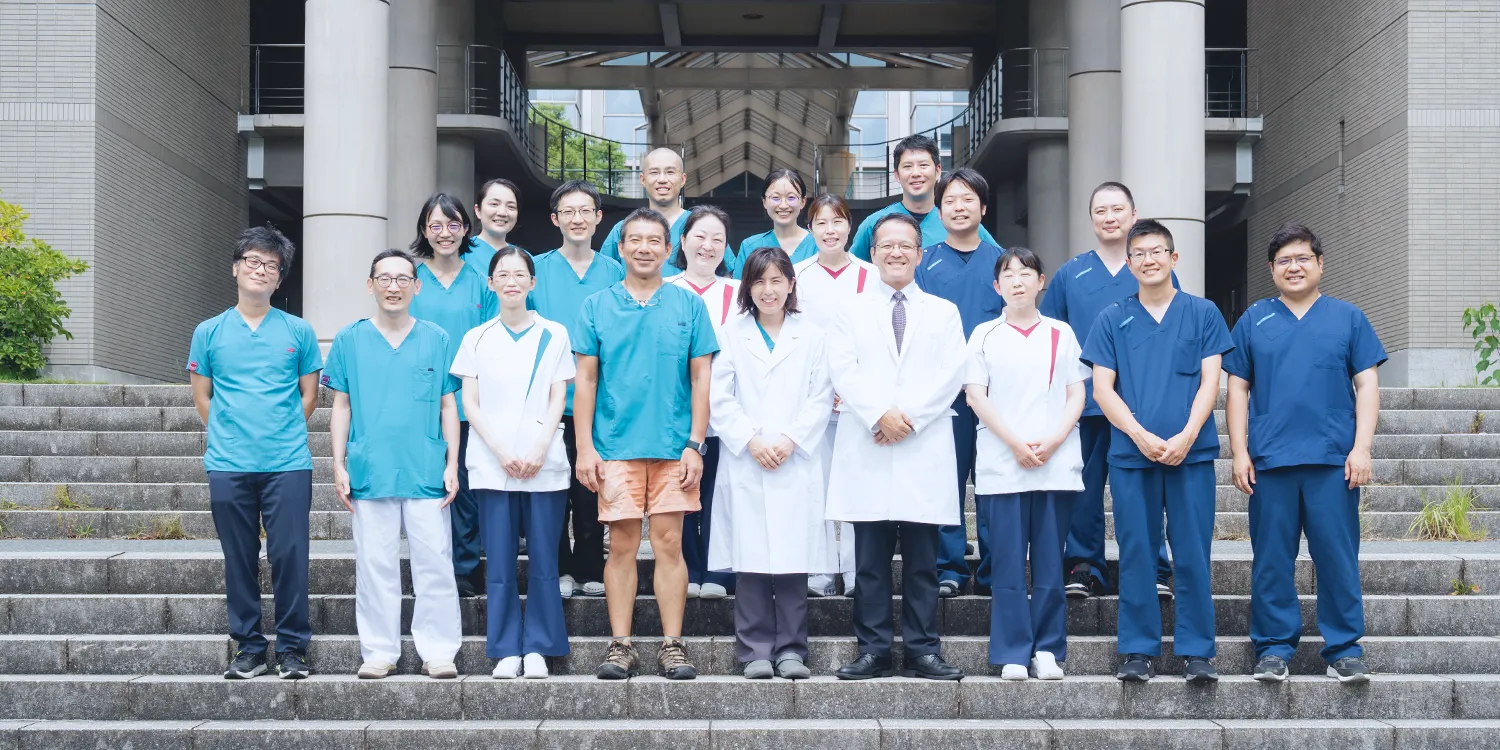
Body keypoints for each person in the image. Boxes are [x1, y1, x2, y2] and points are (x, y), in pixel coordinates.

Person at [1225, 222, 1383, 685]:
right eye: (1283, 261)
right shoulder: (1254, 320)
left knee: (1337, 557)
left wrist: (1362, 447)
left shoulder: (1348, 318)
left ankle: (1344, 650)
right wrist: (1239, 452)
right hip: (1271, 461)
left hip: (1333, 461)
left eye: (1302, 259)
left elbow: (1367, 384)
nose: (1293, 267)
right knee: (1271, 560)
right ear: (1271, 268)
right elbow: (1237, 389)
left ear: (1320, 264)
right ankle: (1273, 649)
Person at [1081, 220, 1231, 683]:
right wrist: (1139, 434)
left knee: (1192, 552)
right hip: (1132, 456)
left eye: (1157, 251)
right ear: (1129, 264)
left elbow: (1211, 381)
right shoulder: (1112, 318)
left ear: (1173, 258)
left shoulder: (1203, 313)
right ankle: (1137, 649)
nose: (1149, 260)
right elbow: (1102, 389)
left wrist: (1188, 435)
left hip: (1192, 454)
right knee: (1136, 552)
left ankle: (1197, 651)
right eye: (1139, 254)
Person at [572, 208, 719, 681]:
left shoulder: (688, 305)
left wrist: (695, 443)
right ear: (620, 248)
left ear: (668, 249)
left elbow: (701, 378)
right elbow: (585, 381)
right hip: (615, 446)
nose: (644, 248)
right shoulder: (596, 306)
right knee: (621, 545)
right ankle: (621, 645)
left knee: (670, 544)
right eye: (634, 240)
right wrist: (585, 448)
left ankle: (673, 645)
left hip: (674, 447)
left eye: (654, 240)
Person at [827, 213, 966, 681]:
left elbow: (952, 373)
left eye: (906, 245)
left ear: (919, 254)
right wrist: (878, 415)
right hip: (868, 441)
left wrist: (908, 419)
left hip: (922, 444)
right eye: (887, 245)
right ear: (873, 254)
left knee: (924, 562)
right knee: (869, 561)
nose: (896, 252)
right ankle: (874, 651)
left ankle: (923, 650)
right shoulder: (850, 309)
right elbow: (842, 368)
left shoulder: (943, 311)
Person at [188, 225, 320, 681]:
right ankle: (249, 647)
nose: (261, 270)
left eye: (271, 265)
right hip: (228, 464)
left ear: (279, 278)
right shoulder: (209, 332)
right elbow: (201, 396)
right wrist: (230, 433)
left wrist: (278, 430)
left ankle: (292, 649)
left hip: (288, 463)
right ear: (236, 268)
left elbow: (309, 396)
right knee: (238, 557)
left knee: (290, 555)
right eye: (253, 261)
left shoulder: (298, 331)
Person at [325, 249, 463, 681]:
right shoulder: (350, 339)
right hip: (371, 467)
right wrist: (338, 463)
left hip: (425, 468)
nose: (394, 286)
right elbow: (342, 405)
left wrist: (452, 463)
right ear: (370, 285)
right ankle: (379, 651)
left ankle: (438, 651)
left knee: (435, 563)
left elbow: (448, 405)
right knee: (374, 565)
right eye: (384, 278)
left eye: (403, 279)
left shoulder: (436, 338)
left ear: (416, 287)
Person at [1040, 182, 1174, 601]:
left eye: (1118, 209)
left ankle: (1152, 567)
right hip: (1084, 404)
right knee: (1083, 490)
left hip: (1141, 405)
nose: (1110, 217)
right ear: (1091, 219)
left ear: (1134, 215)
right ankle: (1084, 566)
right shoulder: (1070, 274)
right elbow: (1051, 337)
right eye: (1100, 211)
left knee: (1143, 491)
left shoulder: (1153, 268)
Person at [709, 247, 836, 680]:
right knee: (751, 560)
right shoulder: (731, 333)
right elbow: (719, 396)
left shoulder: (813, 335)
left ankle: (792, 650)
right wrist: (752, 439)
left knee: (794, 559)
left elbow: (821, 395)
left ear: (791, 284)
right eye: (759, 281)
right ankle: (754, 651)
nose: (768, 290)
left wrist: (790, 439)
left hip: (795, 458)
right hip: (748, 457)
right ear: (747, 287)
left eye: (777, 280)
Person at [452, 246, 576, 680]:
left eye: (519, 274)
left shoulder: (554, 334)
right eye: (502, 274)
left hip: (544, 461)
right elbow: (469, 402)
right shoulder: (476, 338)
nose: (511, 281)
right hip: (492, 463)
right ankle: (505, 647)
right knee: (500, 562)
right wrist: (501, 452)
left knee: (544, 560)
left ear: (532, 282)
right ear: (490, 283)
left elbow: (559, 395)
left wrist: (540, 447)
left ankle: (539, 646)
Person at [964, 246, 1088, 681]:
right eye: (1008, 275)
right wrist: (1016, 444)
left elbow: (1077, 392)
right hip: (1003, 464)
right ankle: (1013, 651)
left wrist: (1053, 441)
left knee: (1051, 562)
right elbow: (975, 395)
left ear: (1041, 282)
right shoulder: (983, 335)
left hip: (1055, 463)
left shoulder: (1061, 333)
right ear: (996, 286)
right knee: (1008, 562)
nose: (1017, 281)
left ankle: (1048, 649)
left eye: (1026, 273)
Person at [529, 180, 625, 600]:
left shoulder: (615, 272)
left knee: (590, 490)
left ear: (599, 217)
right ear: (555, 219)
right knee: (554, 491)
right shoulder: (536, 269)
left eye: (585, 211)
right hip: (547, 400)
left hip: (599, 402)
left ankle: (589, 566)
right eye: (568, 211)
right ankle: (560, 569)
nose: (577, 219)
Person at [914, 167, 1006, 599]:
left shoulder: (1004, 262)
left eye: (968, 199)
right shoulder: (924, 262)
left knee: (991, 481)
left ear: (983, 208)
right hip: (943, 395)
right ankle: (948, 566)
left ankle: (994, 568)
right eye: (949, 200)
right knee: (945, 481)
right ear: (939, 210)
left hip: (995, 394)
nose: (958, 207)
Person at [409, 193, 498, 598]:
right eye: (436, 225)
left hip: (467, 404)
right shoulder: (410, 280)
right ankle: (430, 567)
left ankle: (465, 566)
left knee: (463, 489)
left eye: (453, 225)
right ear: (424, 231)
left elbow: (492, 342)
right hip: (420, 402)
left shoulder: (482, 281)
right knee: (425, 488)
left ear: (466, 229)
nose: (445, 233)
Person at [793, 193, 875, 599]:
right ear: (810, 229)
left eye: (837, 221)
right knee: (815, 487)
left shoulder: (870, 275)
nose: (830, 230)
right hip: (811, 396)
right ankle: (820, 572)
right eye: (821, 223)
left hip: (858, 399)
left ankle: (856, 572)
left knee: (857, 486)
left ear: (849, 227)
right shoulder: (796, 275)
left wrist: (854, 387)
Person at [665, 205, 741, 600]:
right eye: (699, 236)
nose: (707, 246)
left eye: (717, 239)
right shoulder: (664, 289)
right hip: (675, 411)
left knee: (720, 492)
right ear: (682, 241)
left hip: (728, 409)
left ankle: (718, 570)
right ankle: (687, 568)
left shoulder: (739, 292)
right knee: (680, 491)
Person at [848, 135, 1000, 261]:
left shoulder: (959, 222)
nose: (916, 173)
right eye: (907, 166)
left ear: (938, 170)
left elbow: (1001, 264)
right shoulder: (873, 224)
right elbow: (853, 272)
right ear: (897, 175)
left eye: (923, 165)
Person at [599, 148, 690, 272]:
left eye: (670, 172)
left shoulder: (700, 228)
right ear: (642, 179)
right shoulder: (622, 229)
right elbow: (604, 275)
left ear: (683, 179)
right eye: (654, 172)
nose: (662, 179)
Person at [731, 168, 818, 278]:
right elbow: (739, 287)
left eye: (791, 197)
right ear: (764, 202)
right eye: (775, 198)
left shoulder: (818, 244)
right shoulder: (749, 246)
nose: (783, 205)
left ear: (803, 202)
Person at [468, 177, 523, 277]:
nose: (502, 213)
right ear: (478, 210)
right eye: (494, 204)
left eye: (511, 207)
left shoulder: (525, 258)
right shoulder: (460, 253)